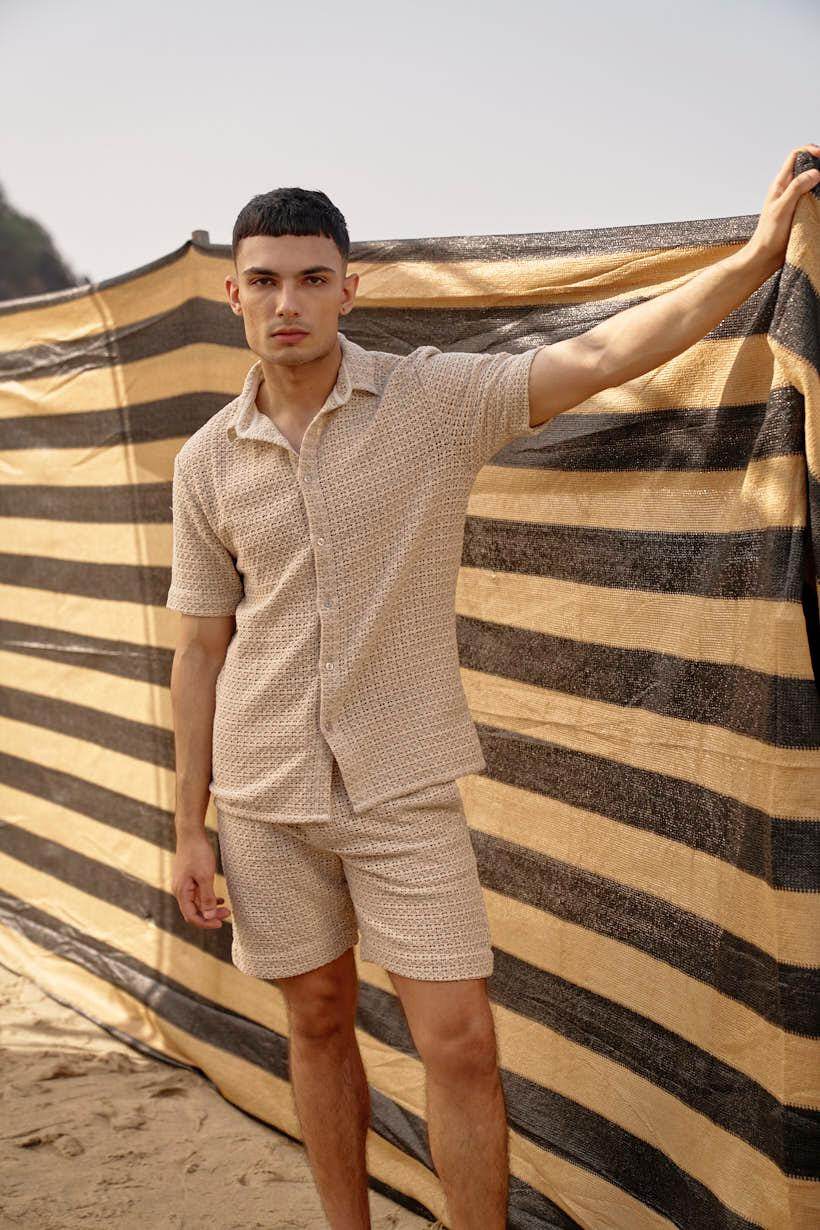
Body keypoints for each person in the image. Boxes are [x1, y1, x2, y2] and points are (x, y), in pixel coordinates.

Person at [168, 151, 818, 1230]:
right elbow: (199, 648)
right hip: (260, 789)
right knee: (316, 1020)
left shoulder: (430, 401)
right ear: (235, 293)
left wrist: (756, 258)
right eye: (266, 281)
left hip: (403, 782)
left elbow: (599, 356)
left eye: (312, 279)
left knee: (461, 1042)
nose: (288, 303)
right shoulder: (204, 462)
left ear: (347, 289)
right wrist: (189, 826)